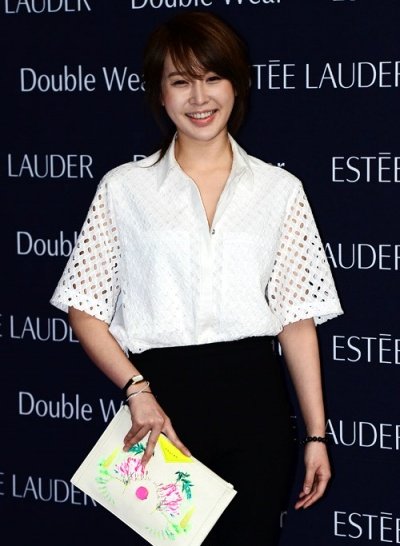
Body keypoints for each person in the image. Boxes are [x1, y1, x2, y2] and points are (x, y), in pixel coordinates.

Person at [50, 10, 343, 546]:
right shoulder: (124, 188)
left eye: (212, 78)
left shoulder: (279, 191)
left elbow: (297, 322)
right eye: (181, 82)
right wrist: (137, 390)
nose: (199, 97)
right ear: (160, 94)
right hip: (159, 410)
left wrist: (316, 435)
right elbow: (84, 310)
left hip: (257, 409)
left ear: (237, 85)